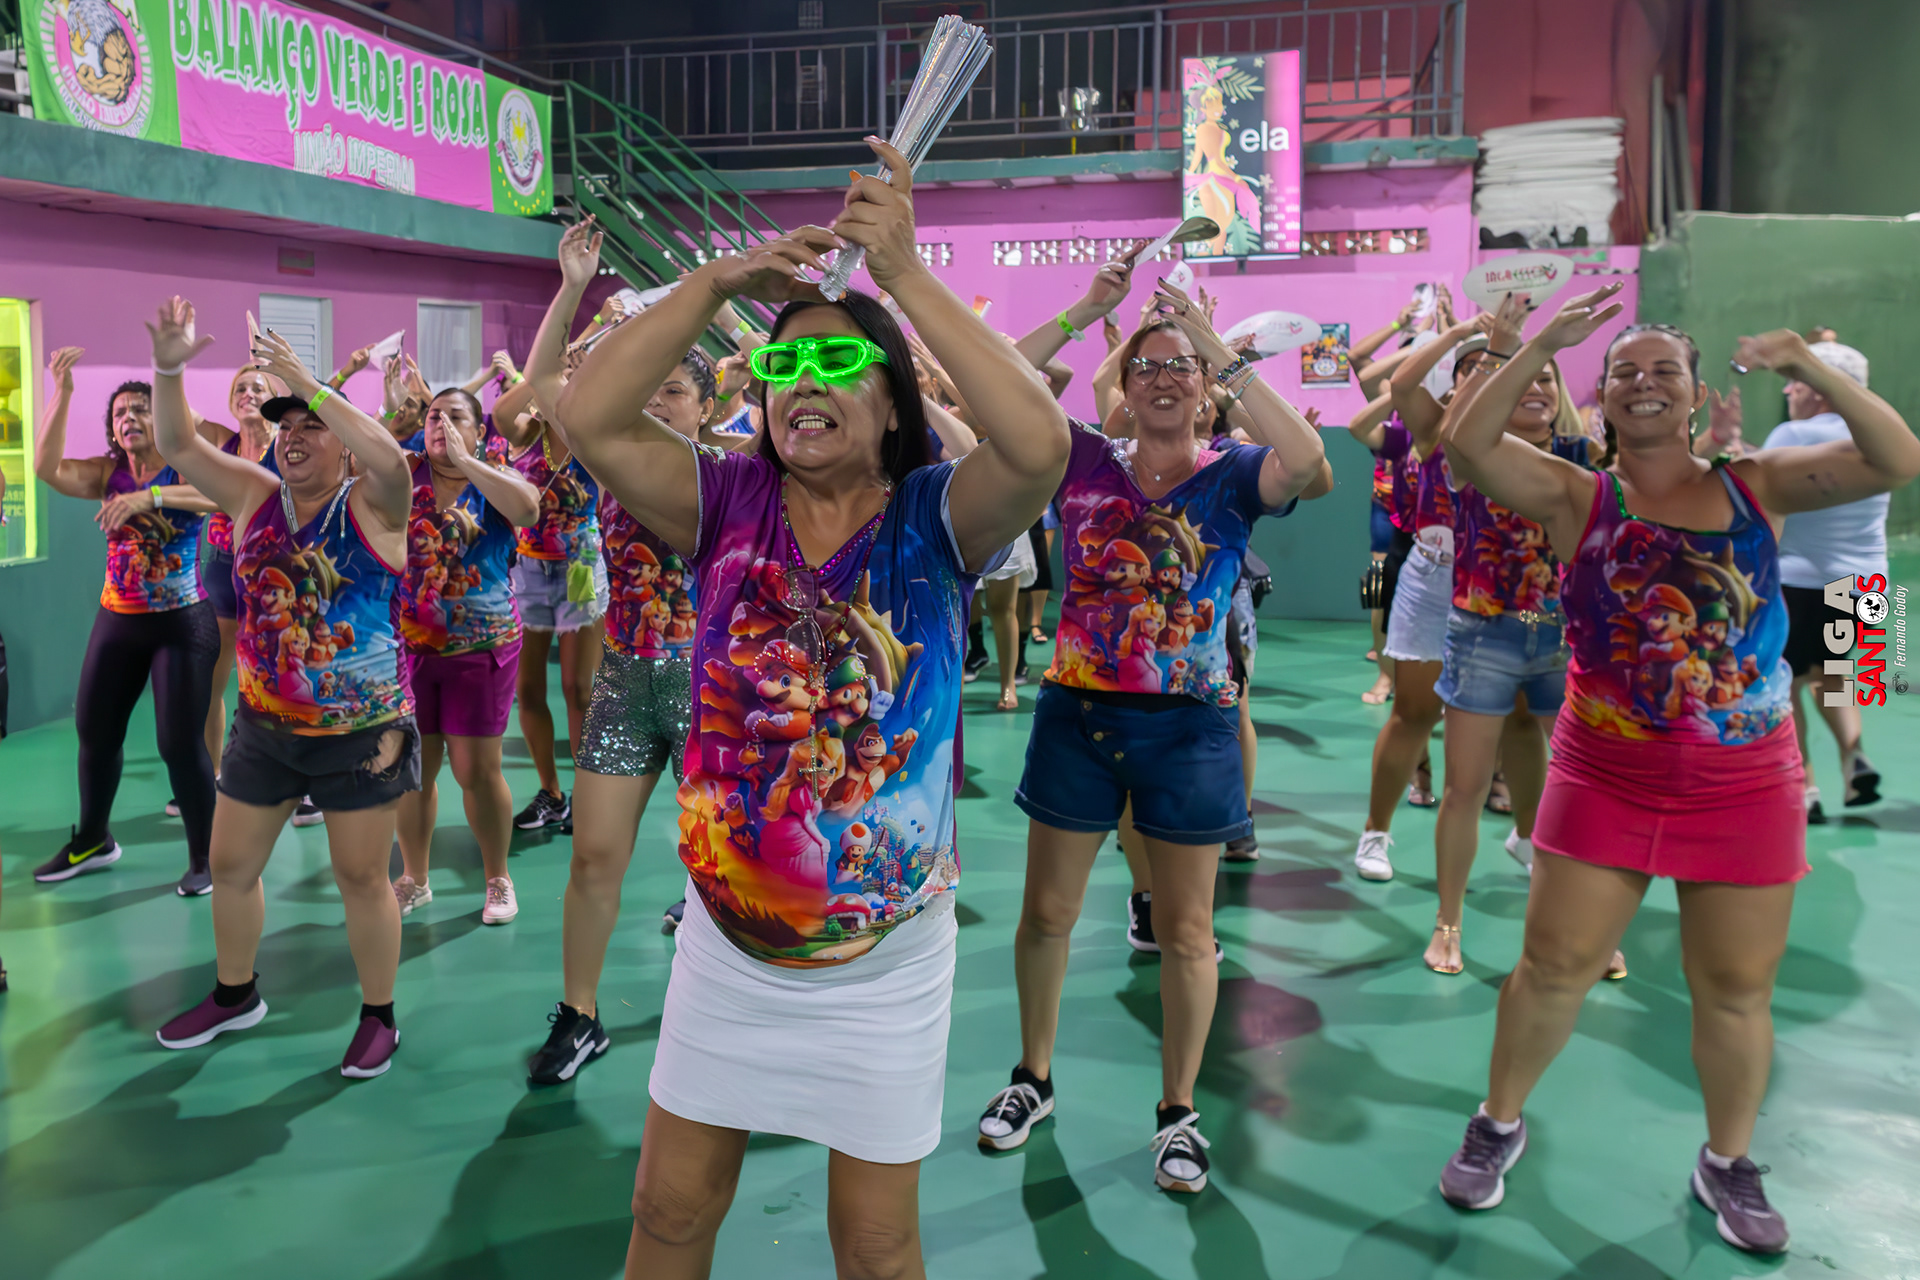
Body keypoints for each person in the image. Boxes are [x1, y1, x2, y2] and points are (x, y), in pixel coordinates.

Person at [556, 140, 1069, 1279]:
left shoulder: (936, 517)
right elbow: (589, 416)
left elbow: (1040, 444)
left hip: (885, 965)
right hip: (725, 951)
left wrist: (908, 276)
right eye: (784, 365)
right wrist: (717, 284)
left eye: (840, 360)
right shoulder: (723, 498)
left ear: (890, 406)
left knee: (876, 1248)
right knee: (668, 1211)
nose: (805, 380)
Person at [1433, 291, 1920, 1254]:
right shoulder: (1577, 494)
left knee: (1735, 986)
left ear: (1698, 395)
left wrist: (1807, 366)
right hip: (1603, 772)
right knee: (1553, 967)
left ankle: (1727, 1161)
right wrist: (1541, 342)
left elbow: (1898, 459)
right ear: (1603, 396)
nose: (1644, 382)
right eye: (1625, 371)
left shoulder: (1758, 484)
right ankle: (1497, 1120)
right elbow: (1465, 444)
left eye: (1665, 370)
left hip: (1746, 783)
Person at [981, 263, 1329, 1196]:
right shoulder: (1081, 458)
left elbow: (1309, 462)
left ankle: (1178, 1111)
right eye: (1148, 366)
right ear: (1123, 386)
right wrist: (1088, 311)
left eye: (1183, 366)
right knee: (1046, 915)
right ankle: (1033, 1078)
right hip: (1077, 717)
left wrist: (1217, 347)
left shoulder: (1234, 474)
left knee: (1186, 931)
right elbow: (992, 384)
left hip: (1190, 729)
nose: (1166, 377)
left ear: (1207, 385)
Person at [146, 300, 420, 1080]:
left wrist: (310, 381)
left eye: (312, 426)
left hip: (361, 733)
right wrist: (168, 368)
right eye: (285, 427)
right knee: (231, 865)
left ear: (344, 440)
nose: (293, 437)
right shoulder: (253, 496)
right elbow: (176, 443)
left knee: (361, 877)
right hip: (265, 729)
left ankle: (379, 1016)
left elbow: (394, 462)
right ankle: (235, 994)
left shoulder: (375, 504)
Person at [517, 218, 733, 1082]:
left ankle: (730, 1014)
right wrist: (573, 289)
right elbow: (543, 384)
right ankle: (579, 1016)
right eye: (646, 390)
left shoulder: (735, 473)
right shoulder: (607, 460)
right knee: (594, 855)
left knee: (722, 861)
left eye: (672, 392)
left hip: (715, 689)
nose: (654, 403)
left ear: (707, 404)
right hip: (625, 683)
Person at [1394, 296, 1620, 978]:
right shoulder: (1471, 454)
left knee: (1573, 786)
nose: (1537, 389)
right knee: (1465, 788)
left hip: (1565, 640)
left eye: (1547, 380)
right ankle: (1448, 922)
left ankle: (1586, 926)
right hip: (1483, 635)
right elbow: (1421, 399)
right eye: (1525, 380)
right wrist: (1509, 346)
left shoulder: (1582, 456)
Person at [30, 347, 220, 896]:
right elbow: (46, 469)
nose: (130, 417)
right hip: (118, 620)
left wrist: (149, 497)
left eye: (141, 409)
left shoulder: (187, 466)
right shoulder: (106, 473)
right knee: (95, 732)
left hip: (182, 624)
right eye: (120, 413)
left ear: (161, 419)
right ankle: (94, 839)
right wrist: (62, 391)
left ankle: (205, 856)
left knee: (178, 743)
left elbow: (219, 495)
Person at [390, 389, 542, 925]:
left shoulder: (495, 477)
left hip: (482, 647)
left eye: (456, 416)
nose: (441, 423)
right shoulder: (403, 474)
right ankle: (415, 878)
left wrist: (468, 461)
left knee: (476, 770)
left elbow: (528, 509)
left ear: (479, 431)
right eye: (434, 416)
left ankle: (498, 877)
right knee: (412, 769)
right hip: (407, 648)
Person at [1348, 328, 1492, 883]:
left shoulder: (1515, 429)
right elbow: (1385, 395)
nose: (1481, 372)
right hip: (1424, 570)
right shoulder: (1427, 429)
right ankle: (1375, 831)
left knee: (1512, 718)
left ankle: (1524, 828)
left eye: (1493, 364)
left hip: (1499, 584)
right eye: (1469, 365)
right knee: (1414, 711)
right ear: (1452, 379)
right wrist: (1453, 331)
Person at [1755, 341, 1886, 821]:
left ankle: (1805, 786)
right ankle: (1855, 758)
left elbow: (1762, 498)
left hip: (1799, 583)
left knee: (1786, 680)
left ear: (1819, 389)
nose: (1788, 390)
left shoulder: (1791, 435)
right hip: (1864, 585)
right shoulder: (1879, 437)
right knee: (1835, 672)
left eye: (1795, 381)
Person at [490, 360, 607, 835]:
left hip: (581, 565)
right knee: (528, 689)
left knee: (579, 688)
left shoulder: (591, 432)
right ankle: (551, 793)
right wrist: (540, 372)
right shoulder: (527, 432)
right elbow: (501, 416)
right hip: (529, 568)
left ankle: (586, 795)